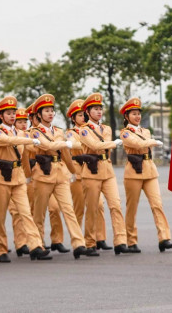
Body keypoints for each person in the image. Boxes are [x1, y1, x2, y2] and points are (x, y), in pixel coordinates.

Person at [0, 96, 53, 262]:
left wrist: (28, 175)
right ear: (1, 116)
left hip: (18, 177)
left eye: (14, 113)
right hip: (1, 177)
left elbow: (24, 156)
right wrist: (29, 139)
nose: (12, 116)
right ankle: (1, 248)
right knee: (0, 216)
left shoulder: (20, 132)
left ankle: (35, 246)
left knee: (25, 212)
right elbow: (8, 141)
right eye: (8, 113)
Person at [29, 94, 88, 259]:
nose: (50, 114)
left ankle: (78, 243)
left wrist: (73, 172)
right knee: (39, 213)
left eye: (51, 111)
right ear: (39, 115)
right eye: (46, 111)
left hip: (60, 173)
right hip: (43, 174)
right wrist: (64, 143)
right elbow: (46, 146)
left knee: (68, 209)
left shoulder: (58, 131)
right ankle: (38, 244)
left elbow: (66, 154)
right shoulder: (34, 132)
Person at [119, 97, 172, 253]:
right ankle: (131, 241)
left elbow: (144, 142)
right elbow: (136, 144)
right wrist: (152, 142)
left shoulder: (146, 131)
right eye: (134, 114)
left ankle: (164, 238)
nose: (137, 117)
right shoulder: (124, 133)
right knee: (132, 208)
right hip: (133, 172)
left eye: (138, 113)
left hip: (149, 170)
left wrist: (151, 140)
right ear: (127, 116)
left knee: (157, 204)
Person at [78, 93, 133, 255]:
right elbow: (95, 146)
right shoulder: (84, 130)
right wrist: (113, 144)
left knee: (115, 205)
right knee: (93, 208)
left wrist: (108, 144)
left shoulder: (106, 128)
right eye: (95, 109)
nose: (99, 112)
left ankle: (120, 241)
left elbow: (104, 144)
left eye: (100, 109)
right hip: (91, 171)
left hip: (107, 169)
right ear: (87, 112)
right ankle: (89, 242)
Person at [64, 99, 108, 254]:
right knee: (79, 207)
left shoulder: (91, 130)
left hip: (93, 168)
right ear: (73, 117)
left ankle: (100, 237)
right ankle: (79, 240)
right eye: (79, 115)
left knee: (99, 205)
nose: (83, 117)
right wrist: (87, 143)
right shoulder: (72, 133)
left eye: (84, 114)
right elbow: (72, 145)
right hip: (78, 170)